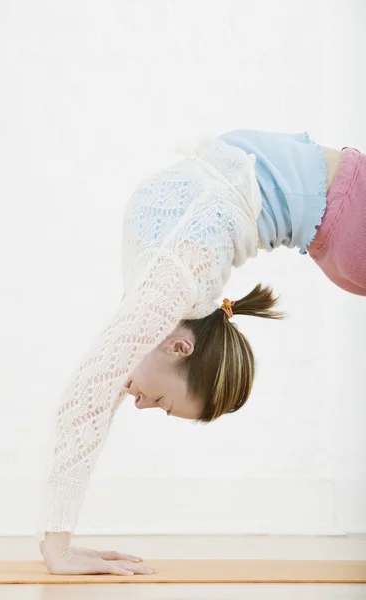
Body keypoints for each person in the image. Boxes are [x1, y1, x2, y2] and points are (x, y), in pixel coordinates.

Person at [38, 129, 365, 576]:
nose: (137, 401)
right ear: (179, 347)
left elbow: (92, 394)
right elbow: (92, 396)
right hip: (351, 220)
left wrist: (58, 546)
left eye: (155, 403)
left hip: (345, 221)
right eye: (161, 402)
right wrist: (59, 547)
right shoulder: (172, 289)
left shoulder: (167, 292)